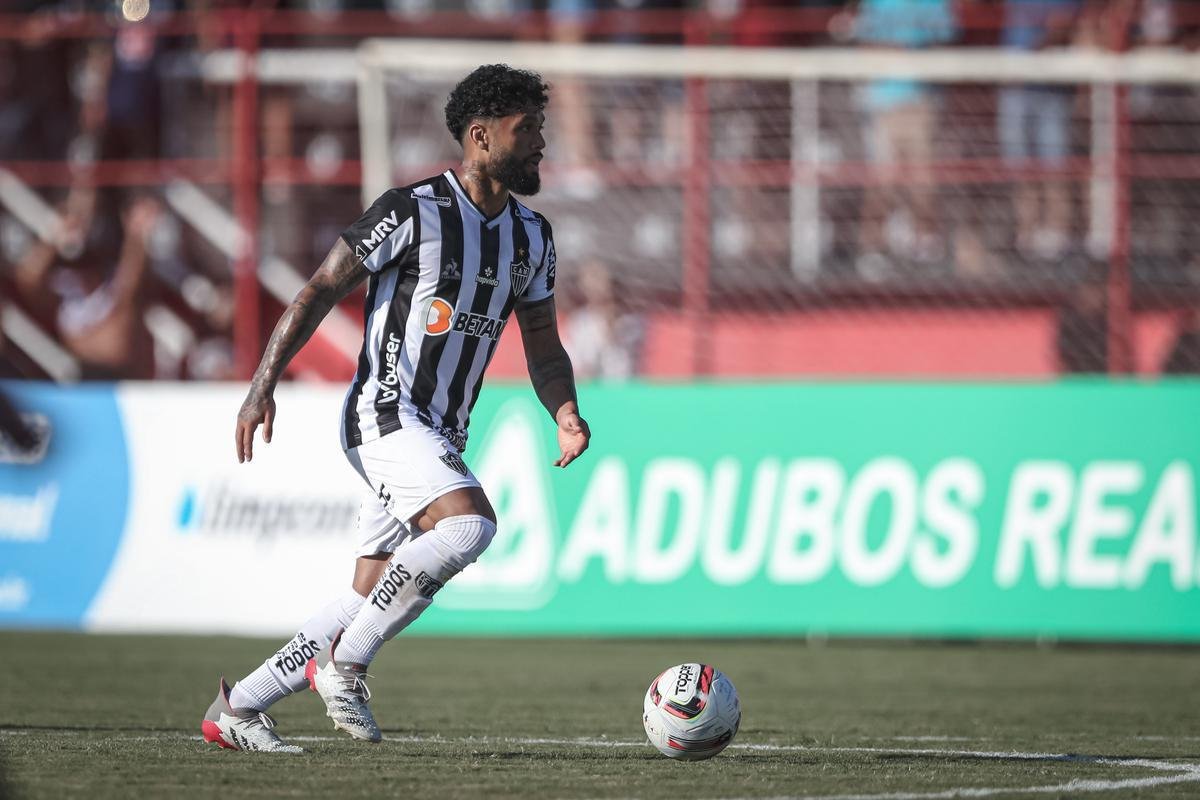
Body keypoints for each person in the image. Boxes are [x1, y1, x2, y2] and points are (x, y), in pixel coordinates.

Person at [201, 64, 591, 753]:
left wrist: (563, 410)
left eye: (540, 127)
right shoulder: (410, 211)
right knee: (470, 528)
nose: (540, 142)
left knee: (366, 594)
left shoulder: (533, 237)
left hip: (439, 431)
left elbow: (544, 344)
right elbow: (319, 289)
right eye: (525, 128)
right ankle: (344, 666)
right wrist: (263, 383)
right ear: (479, 136)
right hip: (383, 415)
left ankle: (238, 707)